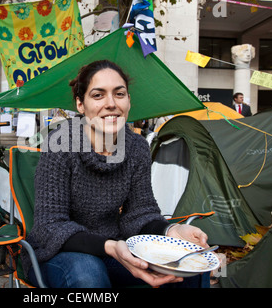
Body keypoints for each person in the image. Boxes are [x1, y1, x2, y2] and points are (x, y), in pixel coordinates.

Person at [22, 60, 210, 288]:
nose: (111, 103)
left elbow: (140, 213)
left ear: (129, 100)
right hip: (60, 253)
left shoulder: (137, 147)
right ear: (81, 104)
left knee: (190, 264)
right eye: (98, 95)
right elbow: (49, 226)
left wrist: (171, 230)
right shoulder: (60, 143)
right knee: (88, 273)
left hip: (115, 250)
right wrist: (109, 246)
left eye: (119, 94)